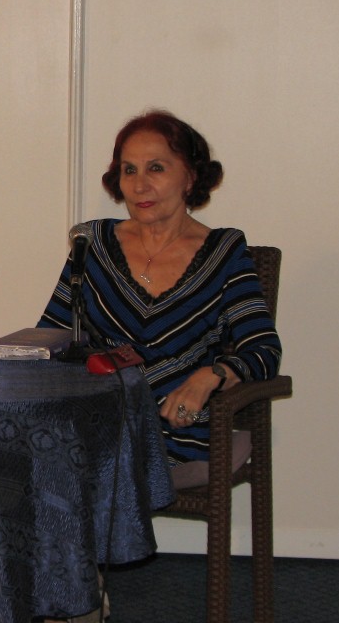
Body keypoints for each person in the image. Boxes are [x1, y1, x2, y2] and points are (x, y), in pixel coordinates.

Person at [39, 109, 281, 468]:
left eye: (156, 168)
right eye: (129, 170)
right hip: (97, 423)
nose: (139, 186)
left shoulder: (224, 253)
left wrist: (210, 376)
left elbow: (264, 350)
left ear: (190, 177)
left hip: (176, 431)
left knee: (70, 467)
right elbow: (51, 337)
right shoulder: (93, 245)